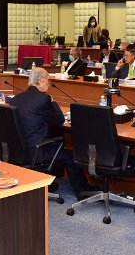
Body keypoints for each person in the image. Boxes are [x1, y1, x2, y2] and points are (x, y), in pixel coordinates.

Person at [10, 68, 97, 198]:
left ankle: (49, 182)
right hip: (36, 152)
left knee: (56, 138)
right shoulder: (43, 99)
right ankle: (83, 190)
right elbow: (59, 120)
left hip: (19, 151)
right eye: (48, 81)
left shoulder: (17, 98)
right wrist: (53, 101)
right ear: (41, 80)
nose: (49, 84)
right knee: (71, 155)